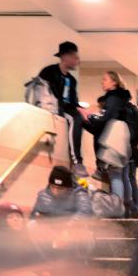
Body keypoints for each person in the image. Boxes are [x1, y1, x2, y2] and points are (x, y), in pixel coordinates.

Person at [82, 71, 134, 217]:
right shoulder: (121, 98)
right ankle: (125, 208)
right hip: (122, 135)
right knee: (121, 175)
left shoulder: (114, 97)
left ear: (114, 82)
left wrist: (87, 120)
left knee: (115, 175)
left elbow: (107, 118)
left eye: (105, 79)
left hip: (115, 134)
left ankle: (117, 209)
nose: (102, 82)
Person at [38, 41, 87, 176]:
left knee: (86, 119)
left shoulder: (72, 80)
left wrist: (80, 108)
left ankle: (99, 165)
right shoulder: (49, 72)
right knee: (76, 119)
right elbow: (44, 95)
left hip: (67, 107)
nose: (77, 61)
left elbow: (73, 101)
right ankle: (77, 162)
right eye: (75, 57)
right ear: (65, 57)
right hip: (55, 108)